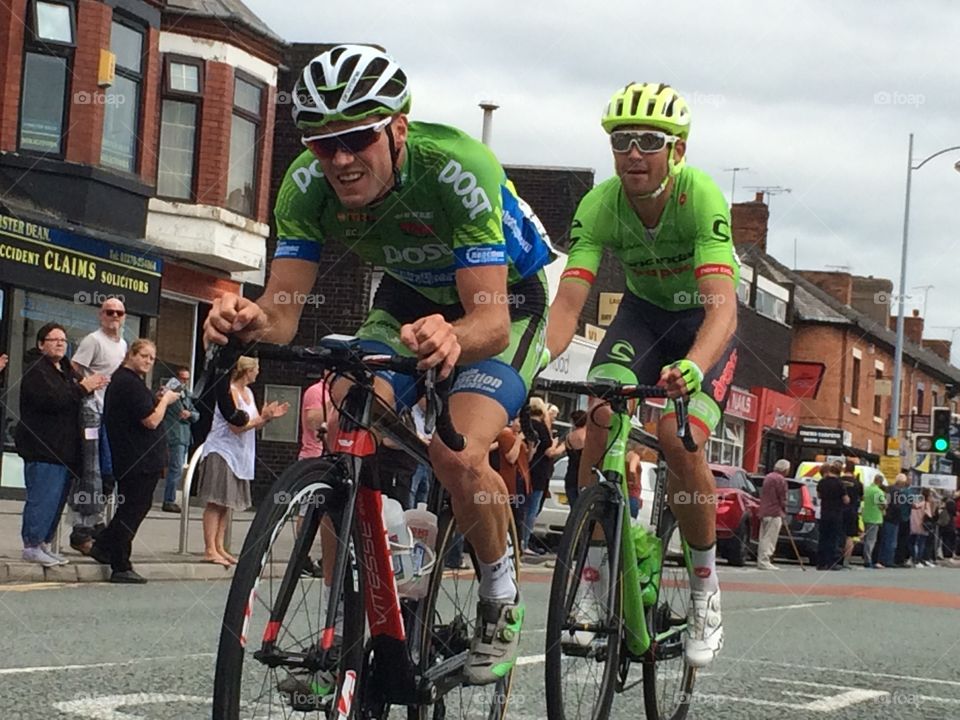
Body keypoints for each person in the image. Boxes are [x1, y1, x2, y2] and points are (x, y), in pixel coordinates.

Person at [203, 45, 554, 689]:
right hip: (407, 296)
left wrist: (453, 335)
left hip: (503, 300)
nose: (339, 159)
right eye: (322, 142)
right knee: (342, 412)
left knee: (458, 454)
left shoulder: (456, 168)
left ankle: (500, 597)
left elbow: (490, 321)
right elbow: (281, 314)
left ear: (396, 128)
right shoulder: (306, 186)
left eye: (357, 137)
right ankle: (346, 631)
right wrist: (248, 320)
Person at [544, 82, 738, 668]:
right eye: (622, 140)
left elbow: (722, 307)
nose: (633, 152)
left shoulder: (699, 196)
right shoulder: (600, 205)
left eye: (649, 141)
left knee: (681, 441)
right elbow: (567, 306)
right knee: (601, 412)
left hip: (702, 324)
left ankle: (704, 588)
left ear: (676, 149)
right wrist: (530, 362)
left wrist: (694, 367)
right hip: (643, 318)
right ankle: (600, 576)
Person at [87, 340, 179, 583]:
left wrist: (156, 399)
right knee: (132, 509)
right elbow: (150, 420)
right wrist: (165, 401)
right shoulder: (127, 382)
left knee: (133, 508)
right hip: (137, 459)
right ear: (131, 355)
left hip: (138, 458)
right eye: (144, 356)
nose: (149, 361)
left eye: (152, 357)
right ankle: (114, 556)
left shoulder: (131, 382)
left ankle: (110, 550)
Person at [15, 323, 107, 566]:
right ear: (40, 344)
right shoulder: (37, 370)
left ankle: (44, 543)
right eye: (53, 339)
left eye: (63, 340)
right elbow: (53, 400)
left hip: (65, 450)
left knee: (56, 501)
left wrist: (89, 387)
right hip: (43, 448)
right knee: (42, 498)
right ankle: (32, 544)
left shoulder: (66, 370)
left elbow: (74, 397)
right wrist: (82, 388)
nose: (59, 343)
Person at [198, 356, 289, 566]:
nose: (258, 372)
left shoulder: (248, 393)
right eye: (257, 368)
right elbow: (236, 426)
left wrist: (268, 417)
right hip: (222, 451)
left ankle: (220, 546)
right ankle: (209, 548)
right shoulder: (229, 391)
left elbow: (253, 423)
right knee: (216, 501)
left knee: (226, 503)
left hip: (239, 454)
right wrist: (262, 417)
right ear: (247, 370)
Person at [69, 298, 128, 554]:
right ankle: (82, 527)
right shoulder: (93, 340)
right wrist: (88, 381)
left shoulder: (123, 344)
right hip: (93, 411)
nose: (114, 316)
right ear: (100, 315)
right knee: (91, 469)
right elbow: (73, 366)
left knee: (107, 473)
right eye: (109, 312)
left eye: (119, 312)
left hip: (112, 414)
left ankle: (96, 521)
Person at [160, 366, 198, 513]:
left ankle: (170, 498)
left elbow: (196, 414)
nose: (184, 382)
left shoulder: (186, 394)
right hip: (174, 434)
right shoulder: (172, 394)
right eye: (182, 379)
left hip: (183, 435)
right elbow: (178, 412)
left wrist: (190, 415)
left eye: (187, 379)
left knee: (176, 468)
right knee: (174, 468)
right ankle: (169, 500)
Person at [757, 459, 790, 570]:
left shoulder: (768, 477)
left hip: (764, 511)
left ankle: (761, 559)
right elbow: (783, 498)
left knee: (763, 537)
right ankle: (765, 561)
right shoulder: (781, 480)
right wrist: (784, 511)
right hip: (775, 512)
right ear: (785, 469)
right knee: (770, 538)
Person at [816, 462, 848, 570]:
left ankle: (821, 563)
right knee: (833, 539)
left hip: (824, 513)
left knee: (823, 538)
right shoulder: (840, 483)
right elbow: (845, 499)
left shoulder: (822, 482)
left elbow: (819, 495)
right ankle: (830, 563)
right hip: (836, 514)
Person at [878, 473, 908, 568]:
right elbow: (897, 506)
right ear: (901, 482)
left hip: (886, 517)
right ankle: (889, 560)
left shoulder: (888, 489)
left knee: (884, 539)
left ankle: (882, 559)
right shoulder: (898, 492)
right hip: (893, 519)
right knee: (891, 540)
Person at [839, 460, 864, 568]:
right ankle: (846, 561)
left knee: (839, 536)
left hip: (839, 511)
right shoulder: (858, 483)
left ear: (844, 469)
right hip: (852, 512)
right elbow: (862, 497)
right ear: (854, 470)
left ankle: (836, 560)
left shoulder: (839, 481)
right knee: (849, 537)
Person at [861, 474, 887, 568]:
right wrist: (883, 507)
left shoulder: (867, 489)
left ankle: (866, 558)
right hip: (875, 518)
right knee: (871, 540)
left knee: (867, 539)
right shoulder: (878, 491)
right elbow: (883, 504)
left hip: (866, 516)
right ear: (880, 482)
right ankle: (868, 560)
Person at [562, 410, 587, 506]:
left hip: (571, 476)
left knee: (574, 510)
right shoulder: (588, 437)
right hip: (584, 477)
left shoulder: (569, 437)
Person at [909, 488, 935, 568]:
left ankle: (913, 558)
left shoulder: (915, 502)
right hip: (922, 525)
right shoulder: (926, 503)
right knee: (921, 543)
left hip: (913, 524)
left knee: (911, 542)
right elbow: (929, 515)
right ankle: (919, 559)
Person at [626, 442, 643, 520]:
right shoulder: (635, 456)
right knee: (631, 521)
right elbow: (632, 470)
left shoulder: (625, 455)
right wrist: (634, 481)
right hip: (633, 494)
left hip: (625, 491)